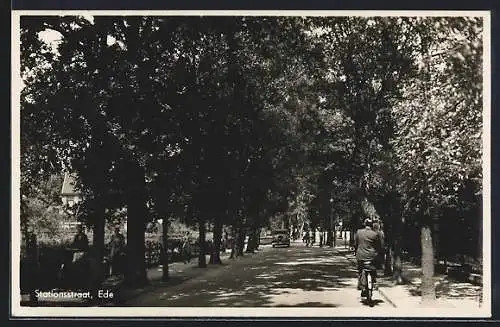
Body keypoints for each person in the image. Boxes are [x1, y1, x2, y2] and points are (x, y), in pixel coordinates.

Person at [354, 218, 384, 295]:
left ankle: (360, 284)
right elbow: (379, 246)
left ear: (364, 224)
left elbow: (355, 244)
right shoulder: (375, 234)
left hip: (360, 256)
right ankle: (374, 281)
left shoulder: (359, 232)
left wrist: (356, 252)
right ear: (371, 225)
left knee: (360, 270)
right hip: (372, 257)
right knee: (374, 268)